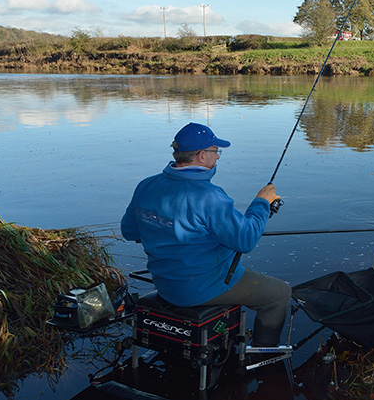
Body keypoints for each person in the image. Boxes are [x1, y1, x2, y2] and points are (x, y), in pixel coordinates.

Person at [121, 122, 290, 347]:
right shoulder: (210, 197)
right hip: (203, 287)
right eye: (215, 151)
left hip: (164, 283)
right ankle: (265, 355)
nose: (218, 157)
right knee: (279, 294)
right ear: (201, 156)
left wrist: (166, 232)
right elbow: (246, 239)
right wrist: (262, 203)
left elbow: (129, 231)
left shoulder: (147, 185)